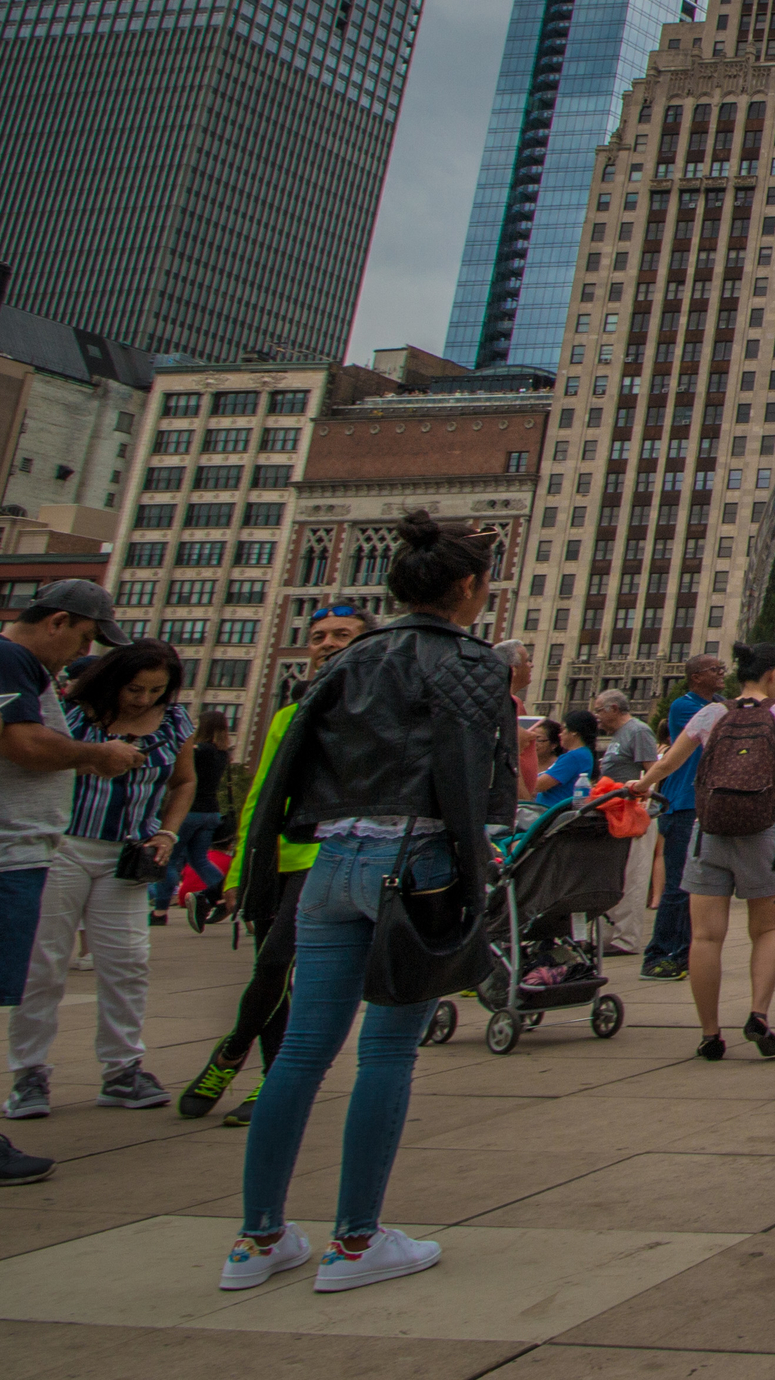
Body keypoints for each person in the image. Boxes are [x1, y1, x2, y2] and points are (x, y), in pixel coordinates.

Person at [226, 512, 516, 1294]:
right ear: (466, 588)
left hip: (332, 859)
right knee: (386, 1051)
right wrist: (473, 861)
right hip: (417, 860)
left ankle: (258, 1240)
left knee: (302, 1051)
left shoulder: (351, 657)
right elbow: (468, 774)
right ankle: (355, 1243)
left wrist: (262, 864)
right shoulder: (472, 662)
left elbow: (293, 759)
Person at [180, 605, 370, 1129]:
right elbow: (262, 794)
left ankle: (232, 1050)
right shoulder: (289, 715)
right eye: (318, 636)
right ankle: (270, 1077)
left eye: (342, 635)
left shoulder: (373, 711)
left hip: (329, 854)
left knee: (275, 962)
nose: (327, 643)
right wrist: (239, 871)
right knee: (272, 970)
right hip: (277, 858)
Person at [7, 635, 192, 1120]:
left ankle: (122, 1067)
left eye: (156, 690)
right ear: (113, 679)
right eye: (135, 688)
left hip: (128, 854)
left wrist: (168, 834)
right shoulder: (72, 713)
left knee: (127, 961)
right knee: (43, 965)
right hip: (65, 845)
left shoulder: (174, 721)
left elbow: (184, 780)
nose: (144, 699)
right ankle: (29, 1072)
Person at [634, 642, 775, 1062]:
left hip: (710, 829)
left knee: (704, 936)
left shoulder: (711, 713)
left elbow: (667, 764)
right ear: (773, 675)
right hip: (763, 831)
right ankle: (758, 1014)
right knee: (768, 930)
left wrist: (639, 787)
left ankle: (710, 1033)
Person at [640, 654, 728, 980]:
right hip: (681, 804)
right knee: (678, 886)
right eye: (714, 669)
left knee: (696, 887)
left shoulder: (720, 703)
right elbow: (722, 724)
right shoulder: (684, 707)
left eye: (722, 669)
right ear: (695, 677)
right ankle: (658, 955)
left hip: (703, 803)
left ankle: (684, 953)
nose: (721, 673)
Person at [588, 689, 661, 957]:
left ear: (614, 709)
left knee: (634, 876)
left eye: (599, 710)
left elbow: (652, 770)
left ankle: (626, 939)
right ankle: (609, 935)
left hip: (635, 813)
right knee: (617, 875)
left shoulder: (638, 731)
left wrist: (643, 801)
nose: (597, 717)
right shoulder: (618, 736)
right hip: (616, 813)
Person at [150, 713, 231, 925]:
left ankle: (159, 912)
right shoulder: (222, 754)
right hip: (211, 812)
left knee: (169, 861)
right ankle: (220, 898)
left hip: (189, 811)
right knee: (199, 859)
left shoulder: (199, 751)